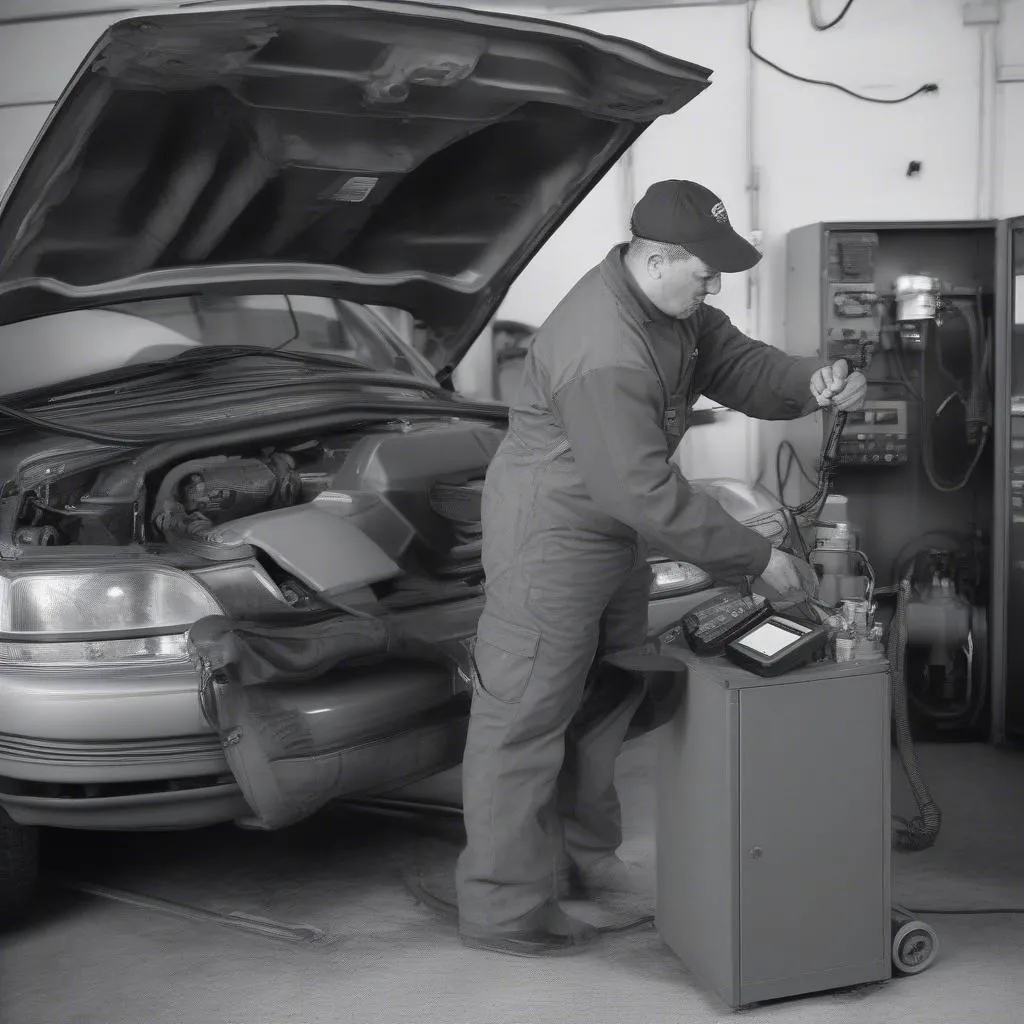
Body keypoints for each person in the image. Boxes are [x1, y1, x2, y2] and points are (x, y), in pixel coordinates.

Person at [455, 179, 867, 957]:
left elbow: (740, 364)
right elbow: (639, 489)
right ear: (654, 257)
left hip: (610, 533)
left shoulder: (670, 310)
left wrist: (816, 378)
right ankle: (504, 910)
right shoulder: (602, 345)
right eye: (705, 271)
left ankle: (582, 867)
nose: (717, 283)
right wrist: (758, 558)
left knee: (602, 697)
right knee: (525, 717)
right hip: (553, 536)